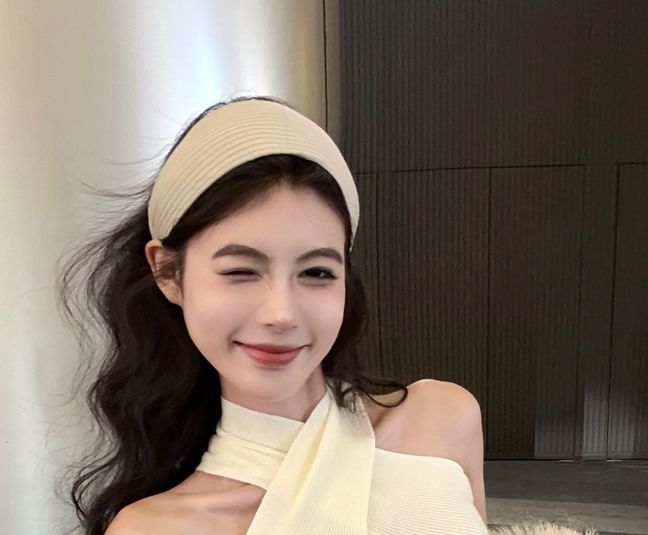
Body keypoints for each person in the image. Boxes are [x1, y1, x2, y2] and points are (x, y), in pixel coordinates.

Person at [58, 96, 489, 534]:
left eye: (316, 272)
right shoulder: (153, 529)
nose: (281, 314)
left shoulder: (443, 418)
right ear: (167, 271)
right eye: (240, 271)